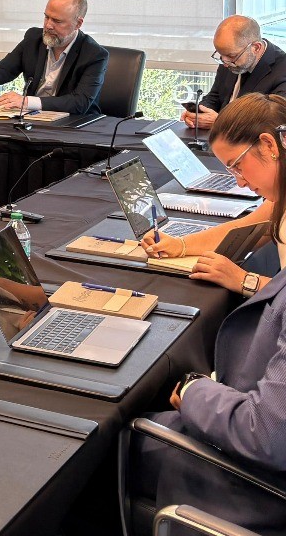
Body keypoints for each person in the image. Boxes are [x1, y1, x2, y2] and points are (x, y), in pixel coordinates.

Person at [136, 93, 286, 533]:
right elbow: (250, 224)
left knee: (112, 446)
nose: (238, 182)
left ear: (269, 145)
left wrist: (195, 390)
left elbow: (266, 432)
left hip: (258, 486)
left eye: (238, 166)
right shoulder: (280, 198)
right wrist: (181, 245)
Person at [0, 0, 107, 115]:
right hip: (33, 119)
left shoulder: (94, 54)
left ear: (78, 23)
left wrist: (27, 102)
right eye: (46, 17)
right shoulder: (34, 38)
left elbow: (80, 102)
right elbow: (7, 68)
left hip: (73, 125)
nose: (48, 25)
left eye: (57, 21)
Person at [183, 15, 286, 131]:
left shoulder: (282, 70)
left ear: (256, 48)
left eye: (231, 56)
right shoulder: (229, 58)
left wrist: (219, 123)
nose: (225, 63)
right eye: (221, 55)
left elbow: (273, 122)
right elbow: (215, 96)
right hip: (216, 137)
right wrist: (198, 114)